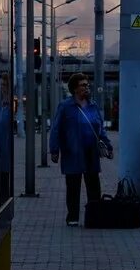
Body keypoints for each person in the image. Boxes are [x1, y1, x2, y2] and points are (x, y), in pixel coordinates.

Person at [48, 73, 112, 226]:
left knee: (94, 186)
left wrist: (108, 146)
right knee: (73, 187)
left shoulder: (93, 106)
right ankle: (73, 217)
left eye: (87, 84)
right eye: (83, 85)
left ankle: (94, 216)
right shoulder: (65, 107)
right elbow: (56, 129)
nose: (86, 87)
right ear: (75, 89)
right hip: (73, 152)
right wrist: (54, 149)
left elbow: (100, 129)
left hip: (91, 152)